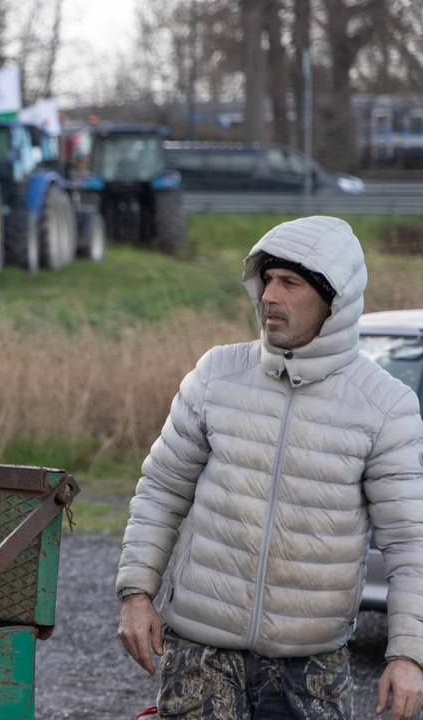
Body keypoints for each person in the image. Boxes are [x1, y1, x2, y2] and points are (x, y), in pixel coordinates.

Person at [115, 216, 423, 720]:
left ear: (334, 300)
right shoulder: (217, 374)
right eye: (267, 279)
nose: (269, 296)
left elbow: (411, 544)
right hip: (199, 656)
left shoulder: (385, 406)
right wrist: (135, 592)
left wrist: (408, 654)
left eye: (290, 283)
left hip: (311, 668)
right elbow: (161, 489)